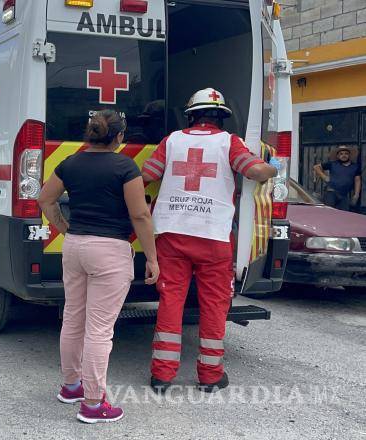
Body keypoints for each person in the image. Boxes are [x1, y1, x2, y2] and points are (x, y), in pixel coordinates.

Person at [141, 88, 278, 393]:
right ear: (221, 118)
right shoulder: (230, 142)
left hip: (171, 233)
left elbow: (146, 175)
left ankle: (162, 375)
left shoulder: (172, 140)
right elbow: (256, 171)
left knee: (171, 299)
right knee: (214, 305)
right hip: (213, 235)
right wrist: (274, 168)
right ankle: (210, 375)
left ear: (190, 115)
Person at [39, 110, 159, 424]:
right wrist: (153, 258)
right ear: (119, 137)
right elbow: (140, 216)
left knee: (73, 318)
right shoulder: (125, 167)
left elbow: (45, 200)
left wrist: (65, 228)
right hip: (109, 251)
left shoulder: (70, 163)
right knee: (100, 331)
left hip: (75, 247)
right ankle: (93, 404)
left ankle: (71, 386)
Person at [313, 146, 361, 211]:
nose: (344, 155)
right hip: (331, 193)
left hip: (344, 195)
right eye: (341, 154)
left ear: (349, 155)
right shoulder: (332, 164)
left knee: (344, 214)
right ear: (338, 156)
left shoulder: (355, 167)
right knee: (328, 212)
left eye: (346, 153)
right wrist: (324, 177)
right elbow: (316, 167)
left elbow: (357, 180)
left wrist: (356, 195)